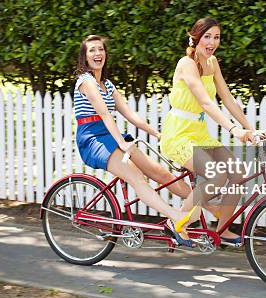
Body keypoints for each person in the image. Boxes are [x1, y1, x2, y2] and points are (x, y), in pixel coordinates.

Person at [74, 34, 200, 247]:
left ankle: (193, 210)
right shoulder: (85, 82)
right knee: (137, 178)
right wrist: (122, 144)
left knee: (161, 173)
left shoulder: (107, 84)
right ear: (84, 57)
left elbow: (130, 115)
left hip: (111, 135)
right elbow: (105, 115)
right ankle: (176, 219)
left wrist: (158, 134)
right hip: (93, 139)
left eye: (100, 50)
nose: (97, 54)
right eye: (92, 50)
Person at [160, 17, 257, 245]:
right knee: (215, 175)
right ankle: (176, 221)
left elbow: (227, 98)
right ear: (195, 38)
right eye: (207, 37)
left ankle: (221, 229)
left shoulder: (212, 62)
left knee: (238, 173)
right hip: (178, 135)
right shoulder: (187, 63)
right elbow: (205, 102)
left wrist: (250, 129)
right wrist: (233, 129)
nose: (212, 42)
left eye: (217, 37)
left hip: (200, 133)